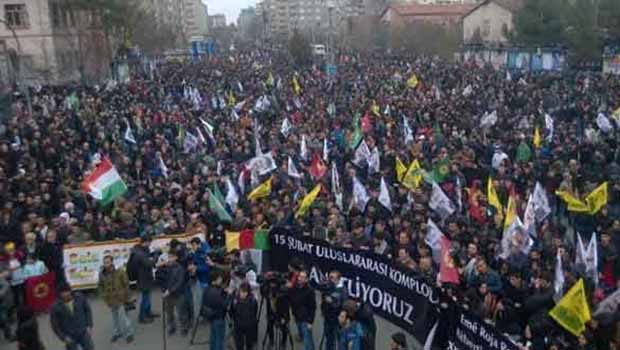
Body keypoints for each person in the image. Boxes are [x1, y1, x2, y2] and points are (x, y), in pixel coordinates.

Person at [98, 255, 134, 344]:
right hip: (110, 300)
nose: (106, 264)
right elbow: (100, 285)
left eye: (108, 262)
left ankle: (129, 334)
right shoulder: (101, 274)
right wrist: (103, 296)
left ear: (112, 262)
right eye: (105, 262)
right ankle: (117, 333)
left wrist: (128, 297)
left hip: (121, 299)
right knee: (115, 318)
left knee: (125, 318)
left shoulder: (120, 272)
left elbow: (126, 284)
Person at [50, 285, 94, 350]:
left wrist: (89, 325)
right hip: (69, 337)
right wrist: (64, 337)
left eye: (66, 292)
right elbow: (55, 325)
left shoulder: (80, 298)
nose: (65, 294)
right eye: (63, 293)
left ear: (70, 291)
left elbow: (87, 310)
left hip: (83, 332)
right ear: (59, 294)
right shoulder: (55, 307)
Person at [130, 235, 159, 323]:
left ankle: (148, 312)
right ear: (146, 242)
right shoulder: (139, 253)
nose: (150, 245)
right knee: (145, 298)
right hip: (143, 278)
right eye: (149, 242)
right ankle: (142, 318)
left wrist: (153, 254)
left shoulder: (140, 250)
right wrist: (156, 255)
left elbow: (146, 257)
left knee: (148, 296)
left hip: (145, 277)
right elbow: (149, 263)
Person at [162, 250, 191, 336]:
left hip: (178, 294)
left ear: (176, 258)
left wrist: (169, 291)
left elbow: (179, 282)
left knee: (181, 312)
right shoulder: (166, 267)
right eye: (169, 257)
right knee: (169, 313)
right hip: (168, 294)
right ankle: (171, 327)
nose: (169, 259)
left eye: (171, 257)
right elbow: (162, 279)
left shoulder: (180, 268)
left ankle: (184, 328)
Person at [290, 270, 317, 350]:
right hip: (297, 316)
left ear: (307, 279)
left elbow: (313, 307)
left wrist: (310, 322)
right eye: (299, 276)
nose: (300, 278)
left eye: (302, 277)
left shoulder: (310, 291)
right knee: (303, 335)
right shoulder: (295, 288)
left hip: (306, 319)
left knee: (308, 341)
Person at [202, 271, 229, 350]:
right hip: (219, 317)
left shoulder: (207, 289)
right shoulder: (216, 293)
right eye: (219, 278)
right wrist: (229, 296)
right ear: (214, 280)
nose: (221, 280)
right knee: (219, 339)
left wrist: (222, 291)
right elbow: (224, 304)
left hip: (211, 317)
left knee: (213, 337)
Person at [321, 270, 347, 350]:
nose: (330, 279)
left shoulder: (343, 291)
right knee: (329, 338)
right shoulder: (328, 286)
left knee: (340, 340)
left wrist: (332, 302)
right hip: (328, 317)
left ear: (338, 279)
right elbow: (323, 299)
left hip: (337, 320)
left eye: (332, 278)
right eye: (329, 277)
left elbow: (343, 306)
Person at [230, 282, 258, 350]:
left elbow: (255, 311)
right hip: (238, 325)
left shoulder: (253, 300)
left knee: (249, 343)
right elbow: (232, 311)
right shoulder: (235, 300)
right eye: (241, 292)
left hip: (249, 325)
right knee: (239, 344)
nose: (243, 294)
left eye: (245, 292)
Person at [188, 237, 210, 319]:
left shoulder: (205, 253)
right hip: (199, 279)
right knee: (199, 299)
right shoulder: (195, 253)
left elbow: (207, 268)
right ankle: (201, 314)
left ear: (199, 244)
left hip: (205, 279)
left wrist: (196, 268)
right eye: (192, 245)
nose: (193, 247)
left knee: (204, 299)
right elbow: (195, 262)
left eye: (194, 245)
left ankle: (206, 315)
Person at [0, 264, 14, 342]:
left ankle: (8, 335)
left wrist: (7, 273)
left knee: (4, 319)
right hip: (2, 303)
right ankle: (8, 335)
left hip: (4, 302)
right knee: (4, 319)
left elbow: (7, 283)